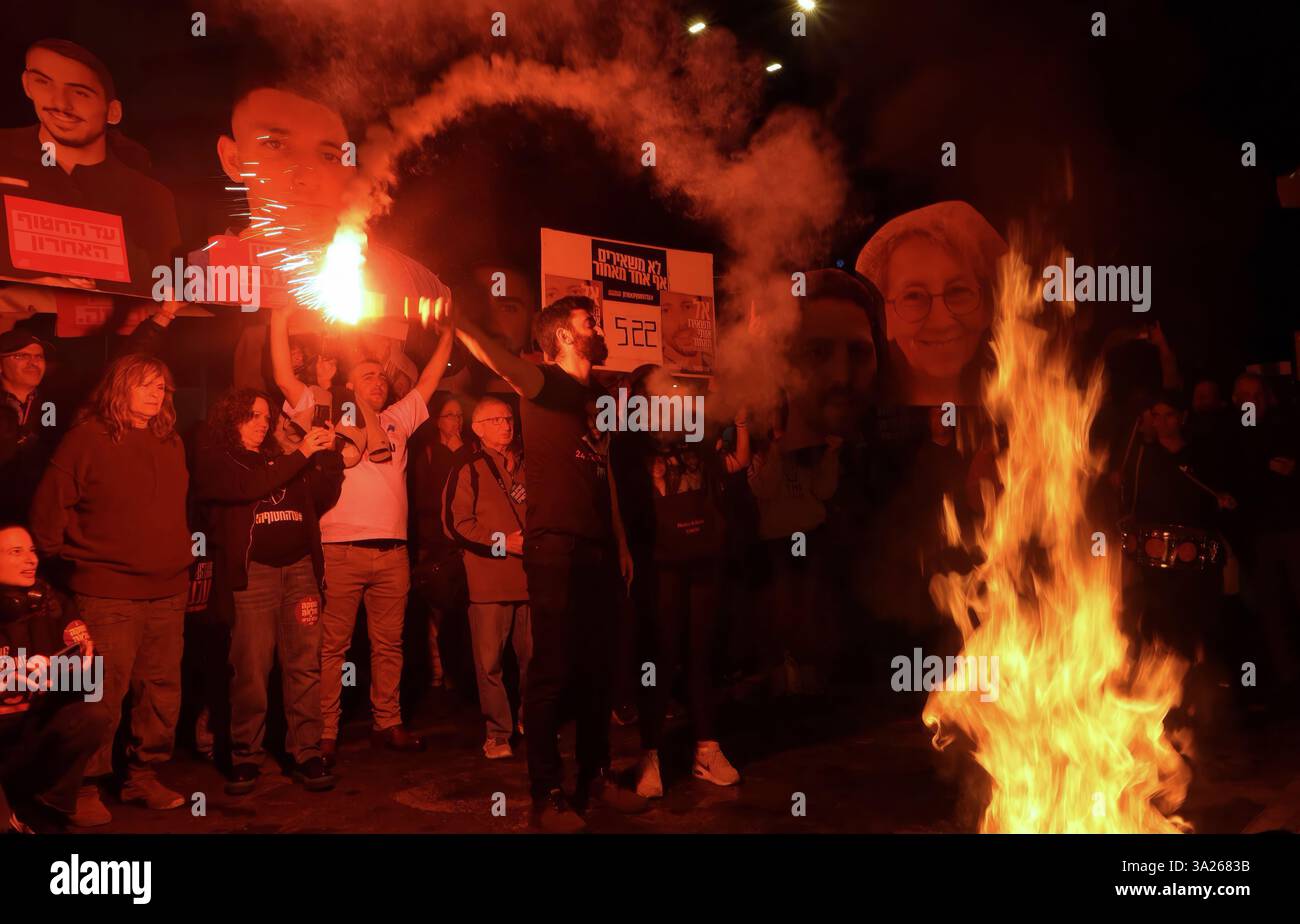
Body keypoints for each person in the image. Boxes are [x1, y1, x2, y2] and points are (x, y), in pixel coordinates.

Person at [456, 295, 647, 832]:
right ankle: (547, 796)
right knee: (552, 672)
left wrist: (621, 544)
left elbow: (602, 469)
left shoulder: (597, 395)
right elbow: (495, 356)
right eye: (590, 321)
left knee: (597, 670)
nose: (599, 326)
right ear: (563, 336)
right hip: (555, 547)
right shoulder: (542, 382)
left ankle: (597, 777)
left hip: (598, 549)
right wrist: (451, 315)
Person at [270, 298, 456, 765]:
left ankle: (387, 722)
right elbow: (283, 379)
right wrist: (279, 318)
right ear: (351, 382)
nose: (378, 381)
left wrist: (450, 330)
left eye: (382, 376)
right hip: (340, 550)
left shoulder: (398, 419)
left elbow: (432, 378)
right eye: (368, 375)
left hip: (393, 552)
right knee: (332, 646)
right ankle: (325, 732)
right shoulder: (327, 411)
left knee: (390, 643)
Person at [29, 353, 193, 823]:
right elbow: (46, 519)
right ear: (120, 386)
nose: (155, 394)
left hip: (168, 590)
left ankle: (143, 776)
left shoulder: (170, 440)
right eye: (145, 384)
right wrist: (77, 570)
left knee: (161, 691)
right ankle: (82, 786)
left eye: (161, 386)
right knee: (100, 695)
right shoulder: (86, 439)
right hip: (108, 594)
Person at [192, 388, 344, 795]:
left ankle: (307, 752)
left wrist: (327, 456)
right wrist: (301, 455)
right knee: (251, 670)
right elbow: (247, 487)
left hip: (300, 574)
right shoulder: (218, 460)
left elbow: (322, 496)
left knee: (304, 665)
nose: (262, 423)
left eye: (265, 417)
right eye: (252, 416)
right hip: (253, 577)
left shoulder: (280, 458)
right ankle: (246, 756)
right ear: (232, 418)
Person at [610, 366, 749, 798]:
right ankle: (650, 753)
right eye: (661, 386)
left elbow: (733, 464)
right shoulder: (629, 442)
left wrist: (741, 419)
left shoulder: (694, 430)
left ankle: (707, 749)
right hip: (659, 563)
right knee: (659, 657)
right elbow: (613, 495)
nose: (672, 392)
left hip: (703, 557)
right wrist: (622, 547)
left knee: (702, 655)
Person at [0, 39, 181, 292]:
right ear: (26, 85)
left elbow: (161, 297)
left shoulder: (150, 197)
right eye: (44, 82)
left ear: (113, 111)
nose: (60, 103)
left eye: (80, 92)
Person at [0, 524, 109, 829]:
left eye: (32, 551)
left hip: (30, 736)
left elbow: (93, 678)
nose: (30, 560)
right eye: (16, 552)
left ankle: (47, 806)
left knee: (92, 715)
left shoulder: (52, 603)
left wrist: (68, 672)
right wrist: (14, 677)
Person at [443, 396, 531, 759]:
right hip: (488, 583)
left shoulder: (527, 464)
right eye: (495, 420)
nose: (506, 426)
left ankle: (531, 721)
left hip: (529, 580)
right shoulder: (468, 466)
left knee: (533, 659)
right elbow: (454, 525)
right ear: (477, 429)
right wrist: (502, 543)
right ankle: (498, 733)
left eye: (508, 419)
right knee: (490, 663)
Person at [855, 201, 1006, 406]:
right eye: (914, 296)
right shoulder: (859, 427)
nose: (941, 321)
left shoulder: (1033, 415)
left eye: (958, 291)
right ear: (884, 318)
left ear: (987, 307)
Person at [410, 393, 473, 690]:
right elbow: (425, 496)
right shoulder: (427, 452)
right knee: (435, 609)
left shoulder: (468, 450)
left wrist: (460, 452)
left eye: (460, 415)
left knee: (459, 609)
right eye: (450, 415)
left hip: (460, 543)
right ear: (437, 420)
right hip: (433, 542)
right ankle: (437, 672)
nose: (456, 421)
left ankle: (458, 673)